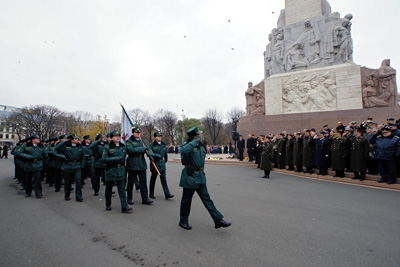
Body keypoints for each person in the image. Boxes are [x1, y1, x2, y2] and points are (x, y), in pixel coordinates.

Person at [178, 126, 231, 230]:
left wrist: (198, 142)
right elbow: (183, 153)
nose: (201, 136)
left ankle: (218, 220)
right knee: (186, 201)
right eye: (199, 135)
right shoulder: (187, 145)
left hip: (200, 177)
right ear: (195, 137)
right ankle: (183, 221)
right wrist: (194, 141)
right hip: (190, 177)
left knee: (207, 200)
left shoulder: (201, 146)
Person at [102, 130, 132, 212]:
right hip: (111, 170)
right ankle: (108, 204)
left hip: (121, 170)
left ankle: (124, 206)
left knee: (122, 190)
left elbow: (130, 152)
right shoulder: (107, 147)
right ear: (111, 138)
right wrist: (116, 159)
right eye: (115, 136)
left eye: (118, 135)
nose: (118, 137)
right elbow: (104, 159)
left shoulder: (123, 146)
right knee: (109, 189)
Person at [126, 126, 154, 205]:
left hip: (141, 163)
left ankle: (145, 198)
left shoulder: (142, 141)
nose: (138, 134)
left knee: (143, 183)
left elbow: (148, 148)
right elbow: (131, 150)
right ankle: (129, 198)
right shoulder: (129, 142)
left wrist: (151, 155)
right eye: (137, 132)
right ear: (133, 133)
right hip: (133, 163)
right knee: (130, 183)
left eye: (139, 133)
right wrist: (143, 148)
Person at [55, 133, 84, 202]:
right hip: (68, 165)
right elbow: (57, 149)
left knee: (78, 182)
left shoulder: (79, 146)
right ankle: (67, 195)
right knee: (67, 182)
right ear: (71, 140)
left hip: (77, 165)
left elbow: (83, 156)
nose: (77, 140)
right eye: (75, 139)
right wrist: (66, 141)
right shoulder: (65, 146)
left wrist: (82, 165)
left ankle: (78, 196)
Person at [148, 131, 174, 200]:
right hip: (155, 164)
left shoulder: (163, 145)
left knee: (164, 180)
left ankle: (167, 194)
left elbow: (165, 155)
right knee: (153, 179)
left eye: (160, 136)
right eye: (158, 136)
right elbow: (150, 153)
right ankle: (151, 193)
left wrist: (164, 161)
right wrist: (157, 156)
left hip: (162, 164)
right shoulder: (152, 145)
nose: (160, 137)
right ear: (155, 137)